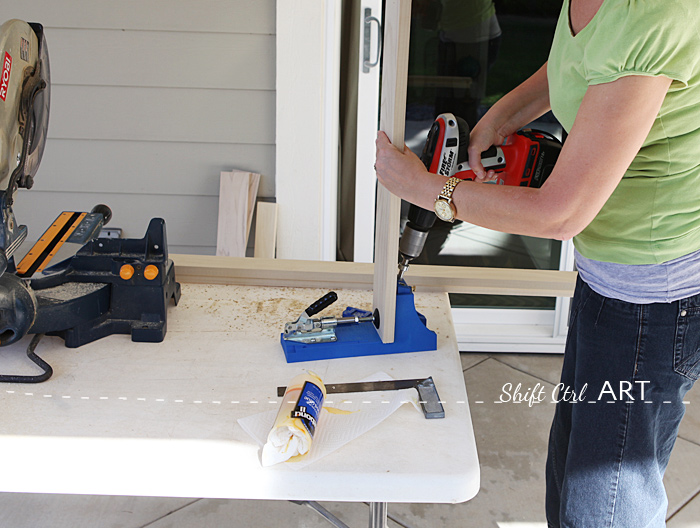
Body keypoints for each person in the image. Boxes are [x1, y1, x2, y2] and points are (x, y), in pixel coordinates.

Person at [374, 0, 700, 526]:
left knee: (604, 504)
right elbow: (570, 65)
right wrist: (497, 120)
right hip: (605, 278)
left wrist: (430, 189)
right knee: (570, 476)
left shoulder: (657, 13)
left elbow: (561, 213)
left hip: (654, 301)